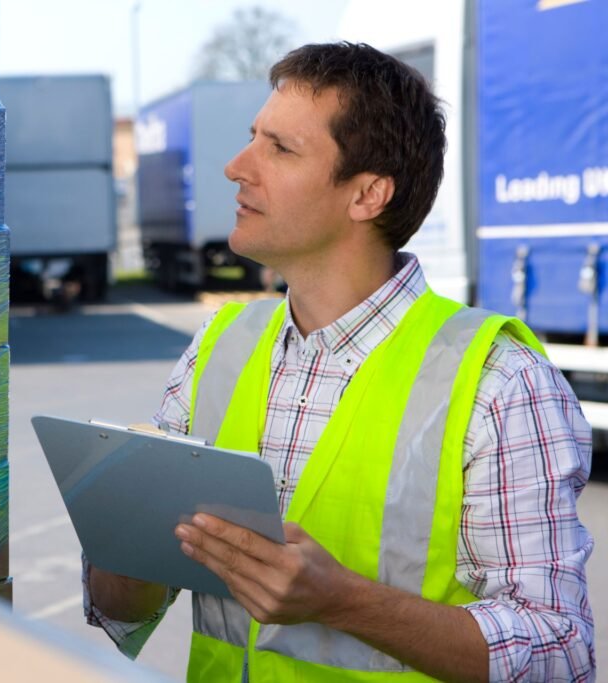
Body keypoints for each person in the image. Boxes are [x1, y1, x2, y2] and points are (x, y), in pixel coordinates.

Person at [83, 43, 595, 682]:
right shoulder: (220, 345)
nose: (237, 167)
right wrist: (123, 546)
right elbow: (123, 604)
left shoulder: (499, 380)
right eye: (252, 139)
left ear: (368, 195)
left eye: (281, 149)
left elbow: (560, 648)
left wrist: (344, 601)